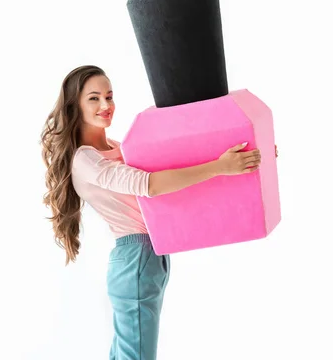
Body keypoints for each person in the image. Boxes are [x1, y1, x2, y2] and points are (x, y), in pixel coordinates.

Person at [40, 65, 276, 360]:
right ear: (75, 104)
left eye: (109, 96)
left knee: (128, 353)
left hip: (148, 256)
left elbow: (174, 172)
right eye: (94, 98)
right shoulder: (85, 159)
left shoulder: (117, 147)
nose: (106, 106)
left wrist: (249, 154)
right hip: (136, 257)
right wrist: (220, 166)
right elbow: (150, 184)